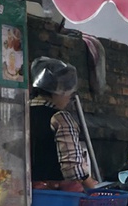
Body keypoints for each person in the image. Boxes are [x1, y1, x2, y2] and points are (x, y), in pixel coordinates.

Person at [30, 57, 94, 192]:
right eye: (68, 92)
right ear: (58, 90)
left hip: (24, 193)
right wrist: (93, 188)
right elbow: (73, 168)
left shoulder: (20, 113)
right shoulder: (60, 118)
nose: (69, 98)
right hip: (55, 198)